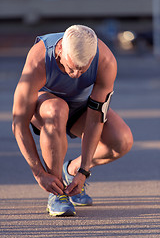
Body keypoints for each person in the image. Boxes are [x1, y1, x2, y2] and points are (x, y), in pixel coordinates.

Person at [12, 25, 133, 217]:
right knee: (57, 109)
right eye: (71, 67)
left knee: (122, 141)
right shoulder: (39, 60)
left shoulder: (106, 61)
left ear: (92, 58)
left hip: (80, 110)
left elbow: (95, 120)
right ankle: (57, 191)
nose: (76, 75)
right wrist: (39, 173)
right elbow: (19, 123)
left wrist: (83, 171)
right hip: (46, 110)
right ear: (60, 51)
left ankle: (70, 171)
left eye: (83, 69)